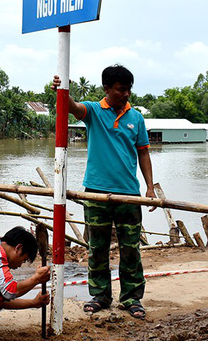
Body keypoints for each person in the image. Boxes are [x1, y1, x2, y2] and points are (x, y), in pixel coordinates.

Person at [52, 64, 156, 320]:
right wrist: (62, 91)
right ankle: (100, 295)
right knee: (96, 247)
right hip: (96, 193)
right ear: (107, 89)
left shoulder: (136, 118)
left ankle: (131, 298)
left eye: (129, 89)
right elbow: (74, 108)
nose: (126, 94)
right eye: (121, 89)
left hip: (129, 195)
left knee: (131, 248)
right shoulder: (95, 111)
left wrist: (150, 187)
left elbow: (143, 152)